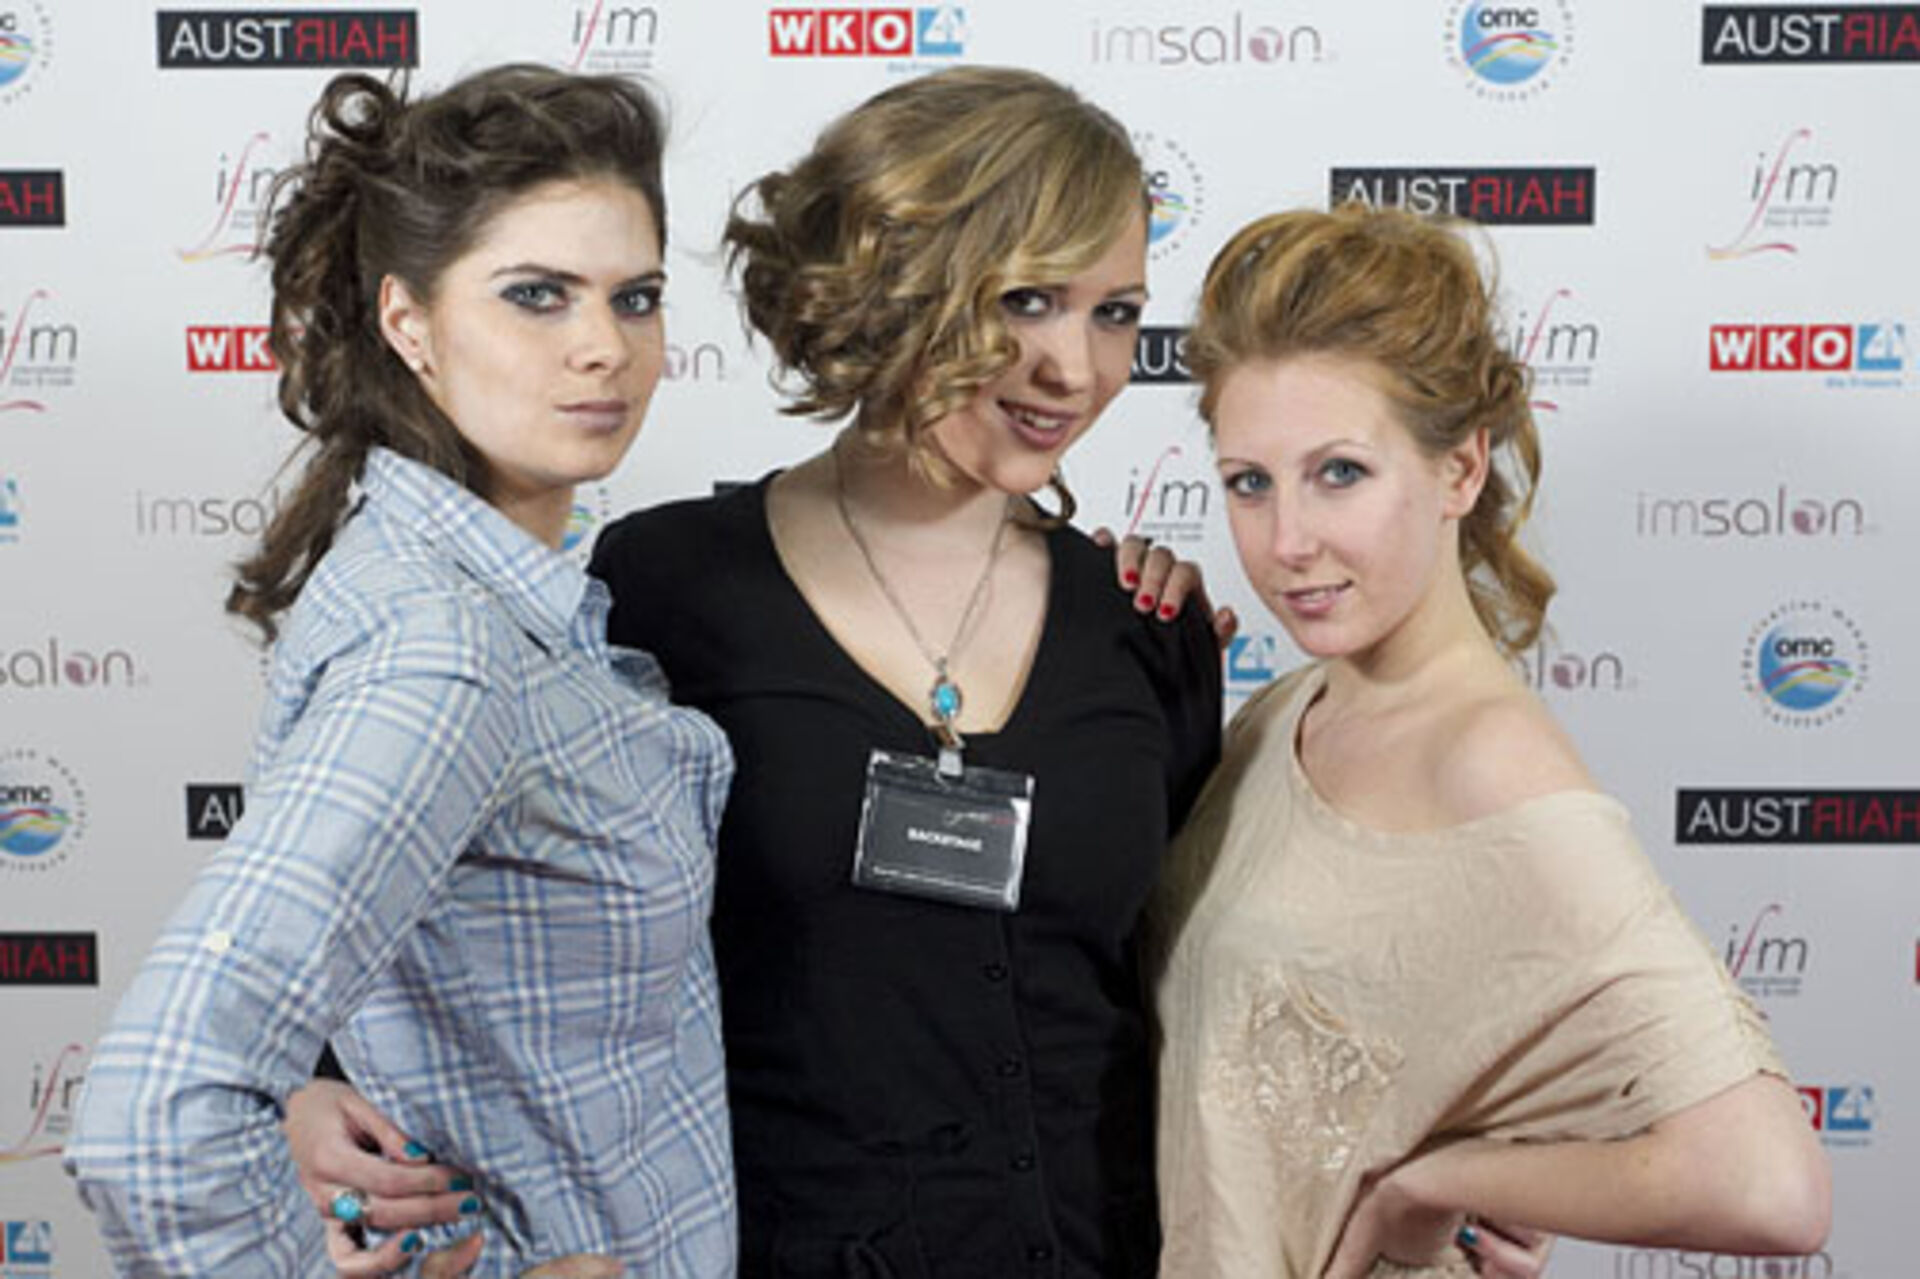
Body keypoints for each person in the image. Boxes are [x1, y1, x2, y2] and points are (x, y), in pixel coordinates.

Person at [291, 66, 1224, 1278]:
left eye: (1115, 313)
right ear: (895, 284)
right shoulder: (664, 585)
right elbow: (457, 894)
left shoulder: (1142, 620)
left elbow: (1210, 983)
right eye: (1027, 301)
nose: (1075, 368)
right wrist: (314, 1084)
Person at [64, 65, 735, 1278]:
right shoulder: (446, 651)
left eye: (634, 298)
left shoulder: (478, 593)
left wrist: (311, 1090)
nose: (605, 347)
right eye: (536, 295)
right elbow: (155, 1114)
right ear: (408, 322)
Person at [1150, 204, 1833, 1278]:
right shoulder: (1282, 712)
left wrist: (1439, 1181)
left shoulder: (1492, 763)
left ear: (1460, 470)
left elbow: (1768, 1186)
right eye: (1250, 482)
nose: (1287, 541)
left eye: (1340, 472)